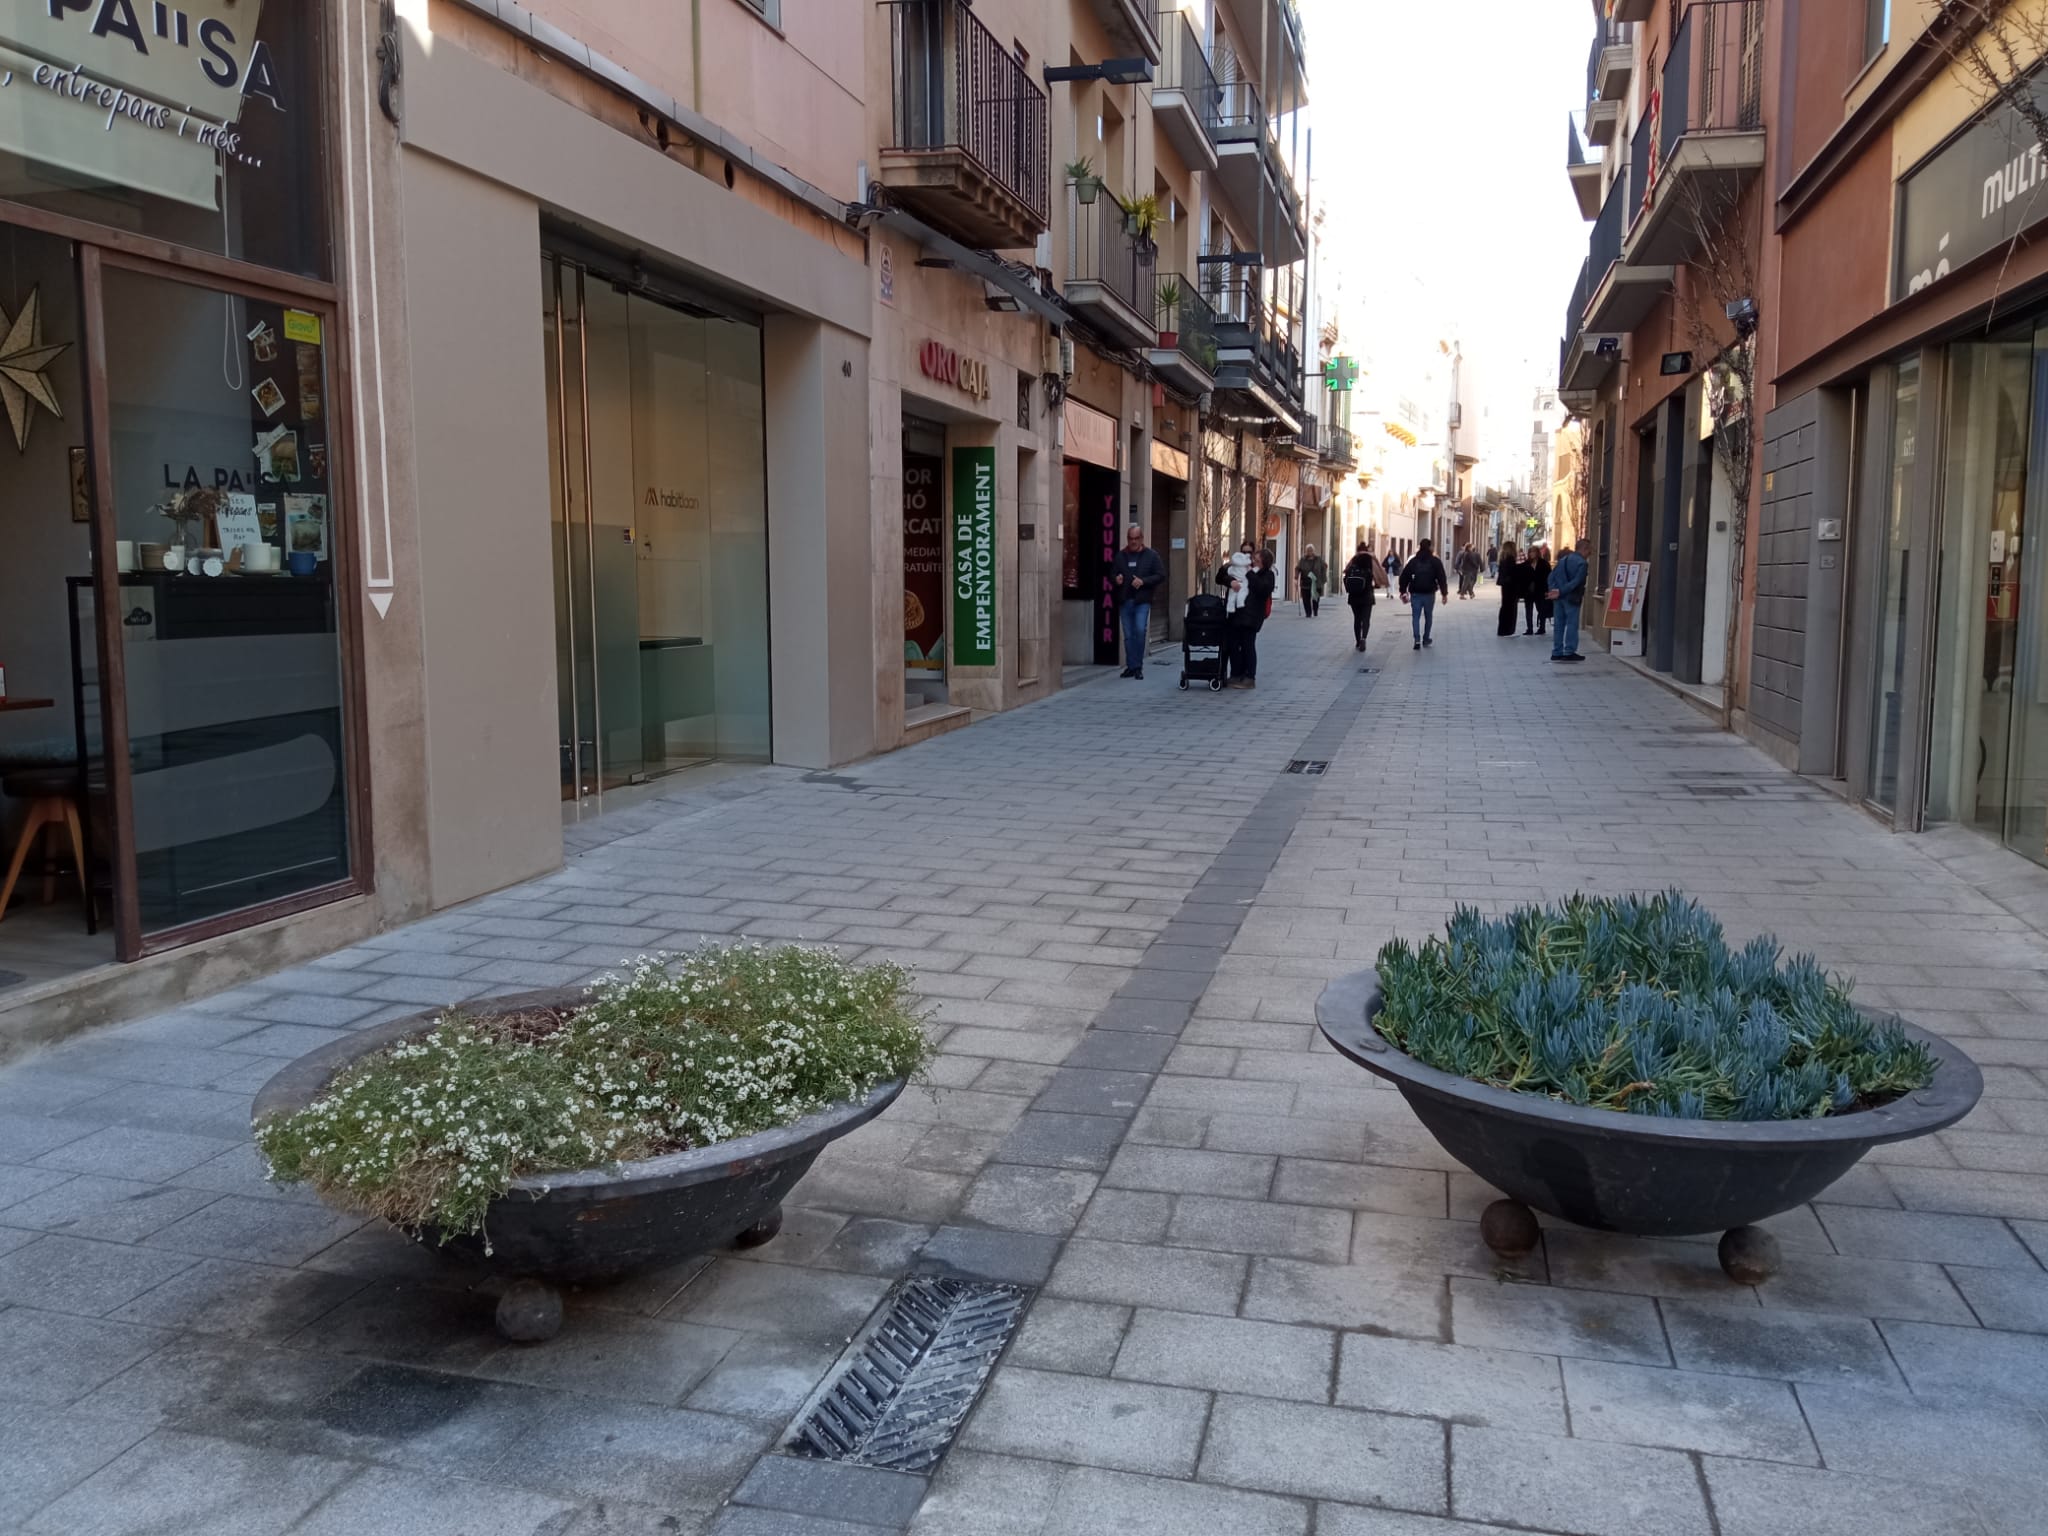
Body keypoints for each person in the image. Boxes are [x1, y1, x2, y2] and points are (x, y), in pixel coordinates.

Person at [1110, 523, 1166, 680]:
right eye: (1130, 538)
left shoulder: (1152, 555)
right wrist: (1116, 579)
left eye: (1136, 538)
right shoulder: (1121, 556)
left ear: (1141, 539)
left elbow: (1161, 575)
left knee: (1140, 631)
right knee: (1128, 635)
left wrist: (1144, 581)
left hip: (1142, 600)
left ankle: (1138, 666)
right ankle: (1131, 666)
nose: (1133, 542)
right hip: (1125, 600)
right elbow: (1112, 574)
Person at [1399, 537, 1450, 650]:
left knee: (1415, 617)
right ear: (1430, 547)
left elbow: (1404, 576)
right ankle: (1426, 638)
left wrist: (1403, 591)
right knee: (1428, 616)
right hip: (1429, 593)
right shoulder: (1435, 561)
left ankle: (1417, 639)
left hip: (1415, 593)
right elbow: (1442, 577)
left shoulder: (1413, 561)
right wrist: (1444, 594)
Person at [1549, 537, 1591, 662]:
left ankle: (1556, 651)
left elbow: (1551, 577)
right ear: (1584, 549)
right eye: (1590, 550)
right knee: (1572, 624)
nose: (1590, 554)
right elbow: (1576, 582)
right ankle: (1569, 651)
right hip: (1572, 597)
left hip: (1558, 598)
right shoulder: (1582, 563)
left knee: (1559, 625)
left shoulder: (1563, 560)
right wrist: (1561, 591)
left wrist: (1554, 590)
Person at [1342, 541, 1386, 651]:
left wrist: (1348, 588)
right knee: (1366, 619)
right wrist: (1377, 584)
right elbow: (1379, 575)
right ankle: (1363, 638)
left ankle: (1357, 641)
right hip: (1367, 595)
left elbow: (1345, 574)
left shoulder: (1353, 561)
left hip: (1354, 596)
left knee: (1357, 619)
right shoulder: (1371, 560)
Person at [1496, 540, 1525, 638]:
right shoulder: (1510, 559)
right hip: (1511, 585)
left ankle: (1502, 629)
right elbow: (1513, 572)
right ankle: (1509, 630)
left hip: (1505, 585)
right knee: (1511, 607)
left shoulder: (1502, 558)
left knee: (1505, 606)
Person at [1295, 544, 1328, 618]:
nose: (1309, 552)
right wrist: (1296, 577)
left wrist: (1323, 578)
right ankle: (1308, 613)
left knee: (1315, 599)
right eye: (1308, 550)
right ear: (1306, 551)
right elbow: (1297, 568)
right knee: (1305, 599)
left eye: (1311, 550)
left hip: (1316, 582)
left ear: (1313, 551)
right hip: (1305, 582)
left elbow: (1325, 566)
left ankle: (1315, 611)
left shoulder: (1318, 559)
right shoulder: (1303, 560)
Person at [1526, 545, 1552, 636]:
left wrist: (1548, 590)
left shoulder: (1544, 564)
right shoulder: (1526, 564)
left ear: (1537, 553)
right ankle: (1529, 629)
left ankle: (1542, 628)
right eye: (1530, 552)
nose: (1532, 554)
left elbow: (1549, 577)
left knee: (1541, 609)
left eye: (1534, 552)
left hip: (1540, 590)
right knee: (1528, 609)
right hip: (1528, 590)